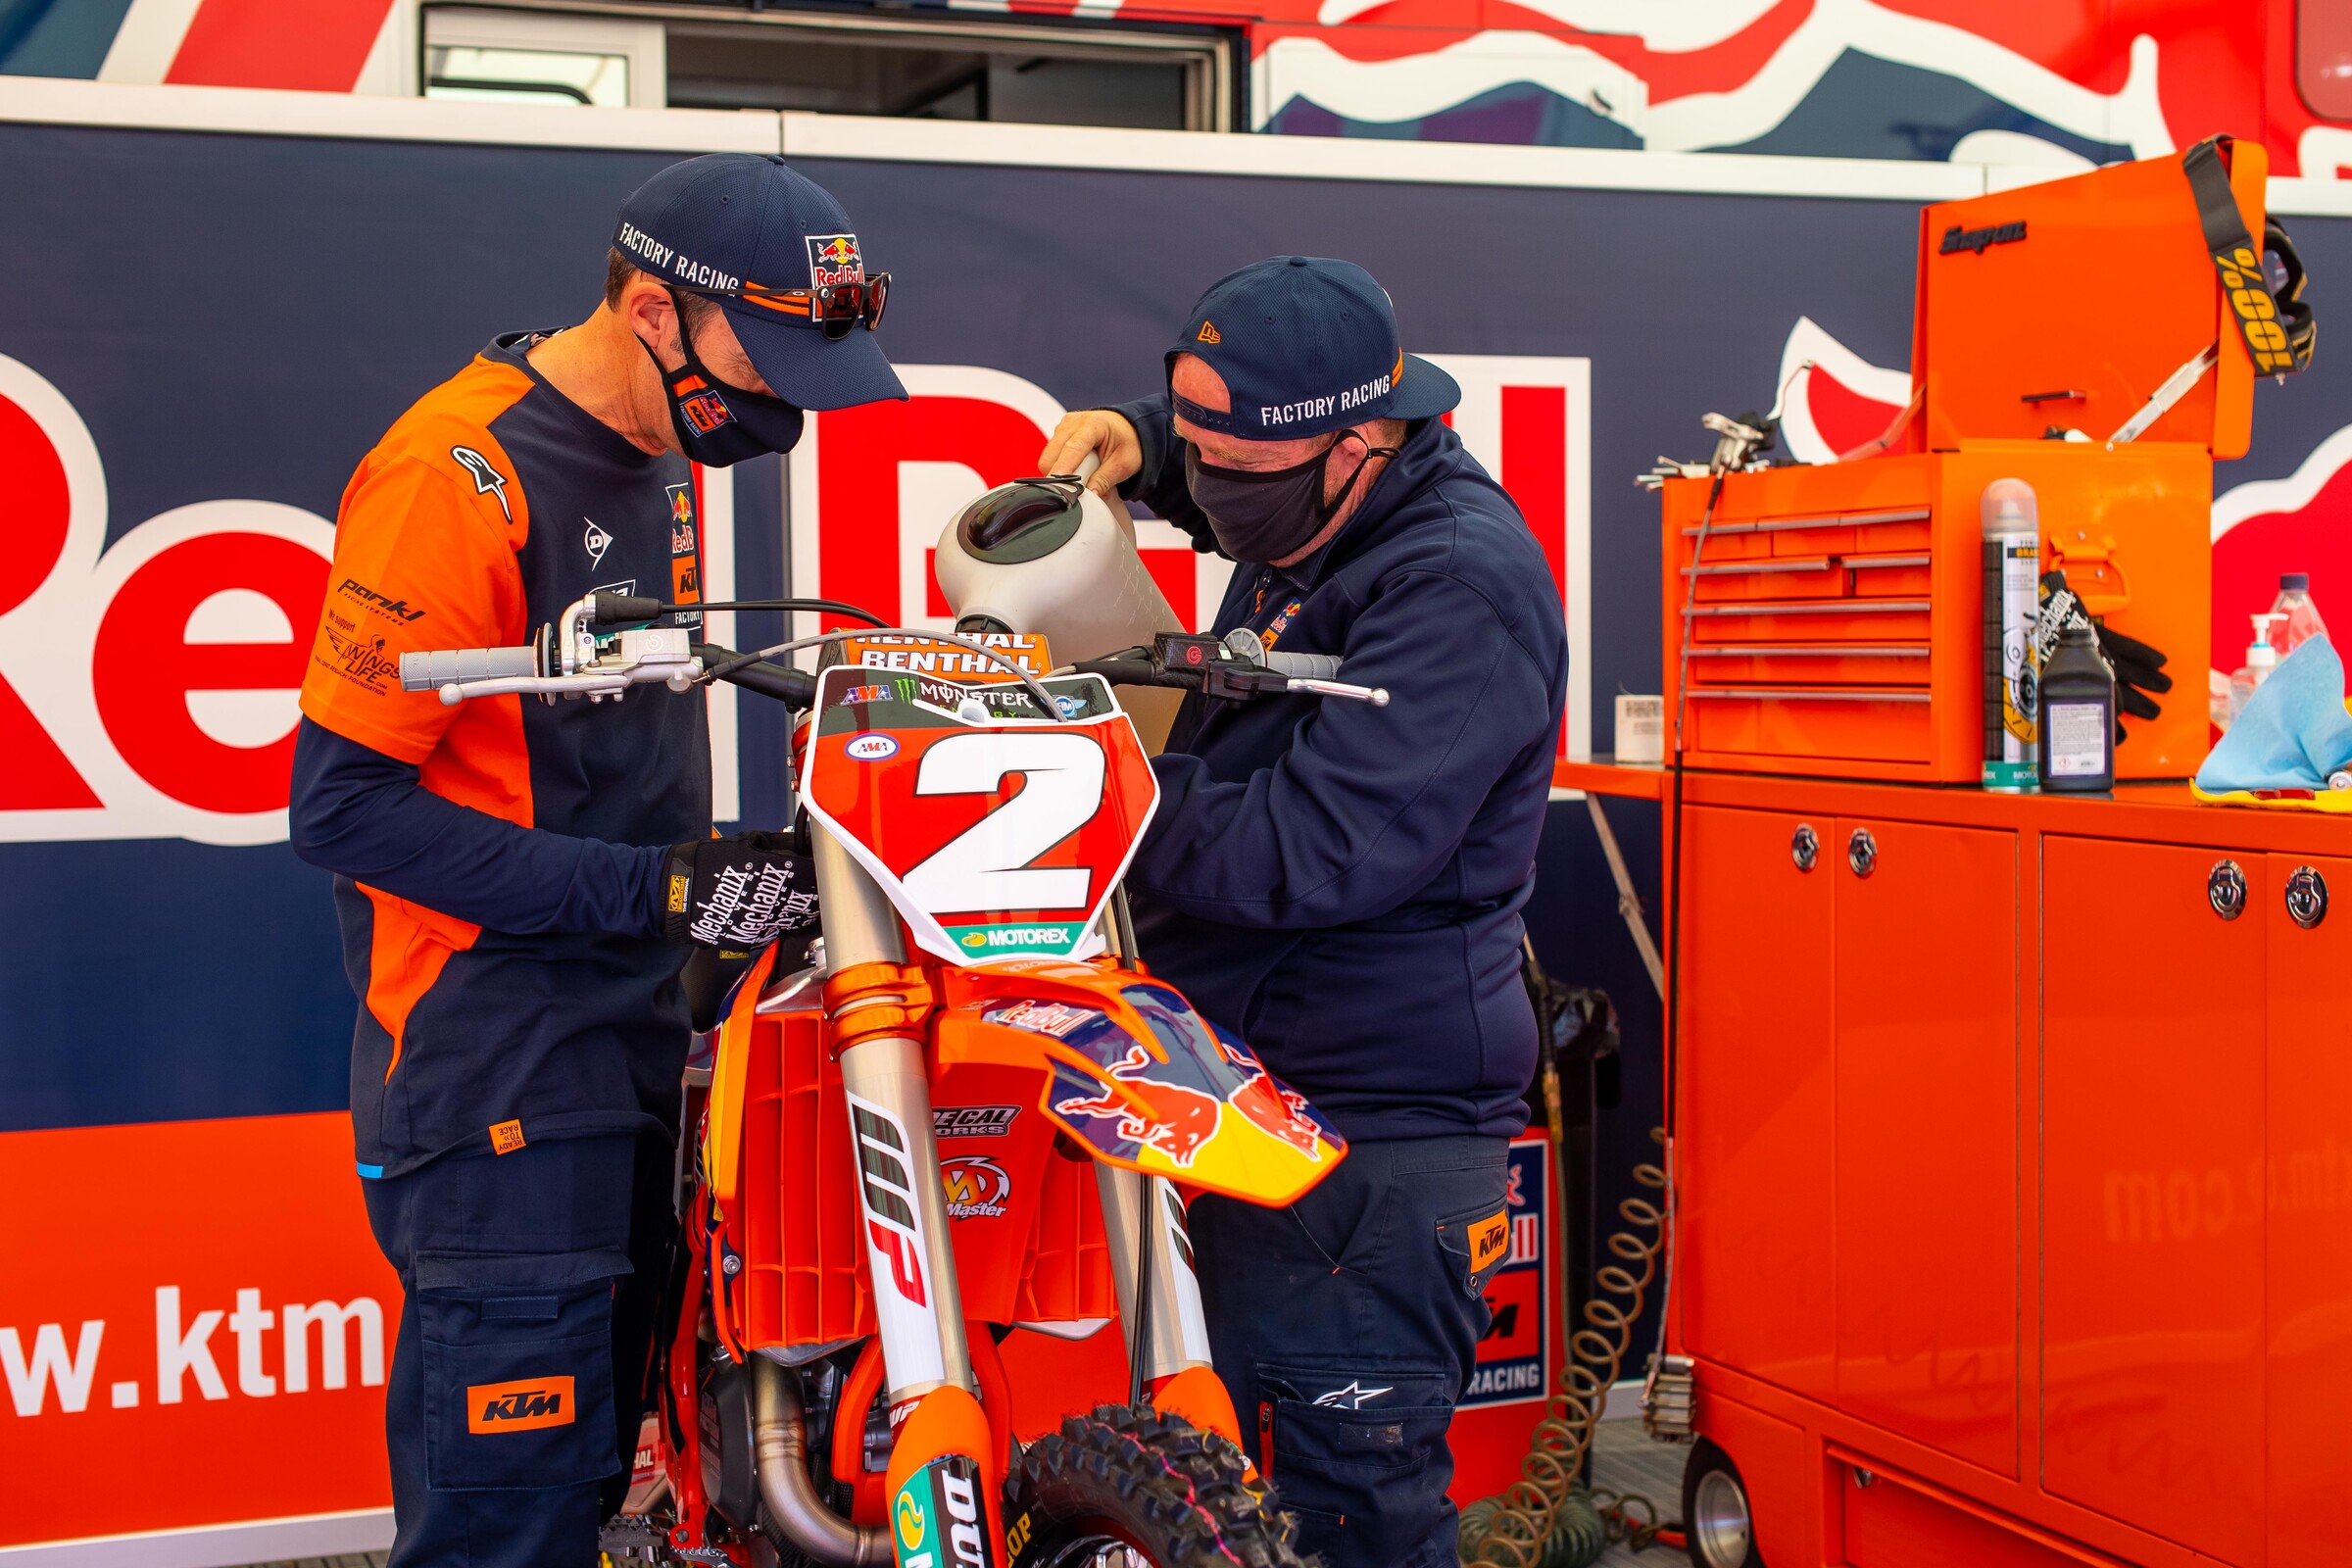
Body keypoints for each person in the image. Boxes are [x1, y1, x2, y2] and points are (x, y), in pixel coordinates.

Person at [288, 154, 903, 1567]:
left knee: (599, 1482)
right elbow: (342, 811)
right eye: (770, 369)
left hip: (629, 1036)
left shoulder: (656, 455)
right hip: (496, 1061)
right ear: (648, 309)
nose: (783, 413)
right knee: (510, 1525)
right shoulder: (461, 471)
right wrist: (664, 891)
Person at [1038, 256, 1567, 1568]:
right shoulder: (1320, 502)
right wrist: (1142, 448)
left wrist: (1078, 781)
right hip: (1256, 1086)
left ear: (1365, 439)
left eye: (1236, 471)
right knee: (1238, 1509)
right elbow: (1222, 466)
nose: (1209, 496)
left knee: (1345, 1522)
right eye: (1196, 453)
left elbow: (1311, 853)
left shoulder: (1458, 592)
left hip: (1366, 1141)